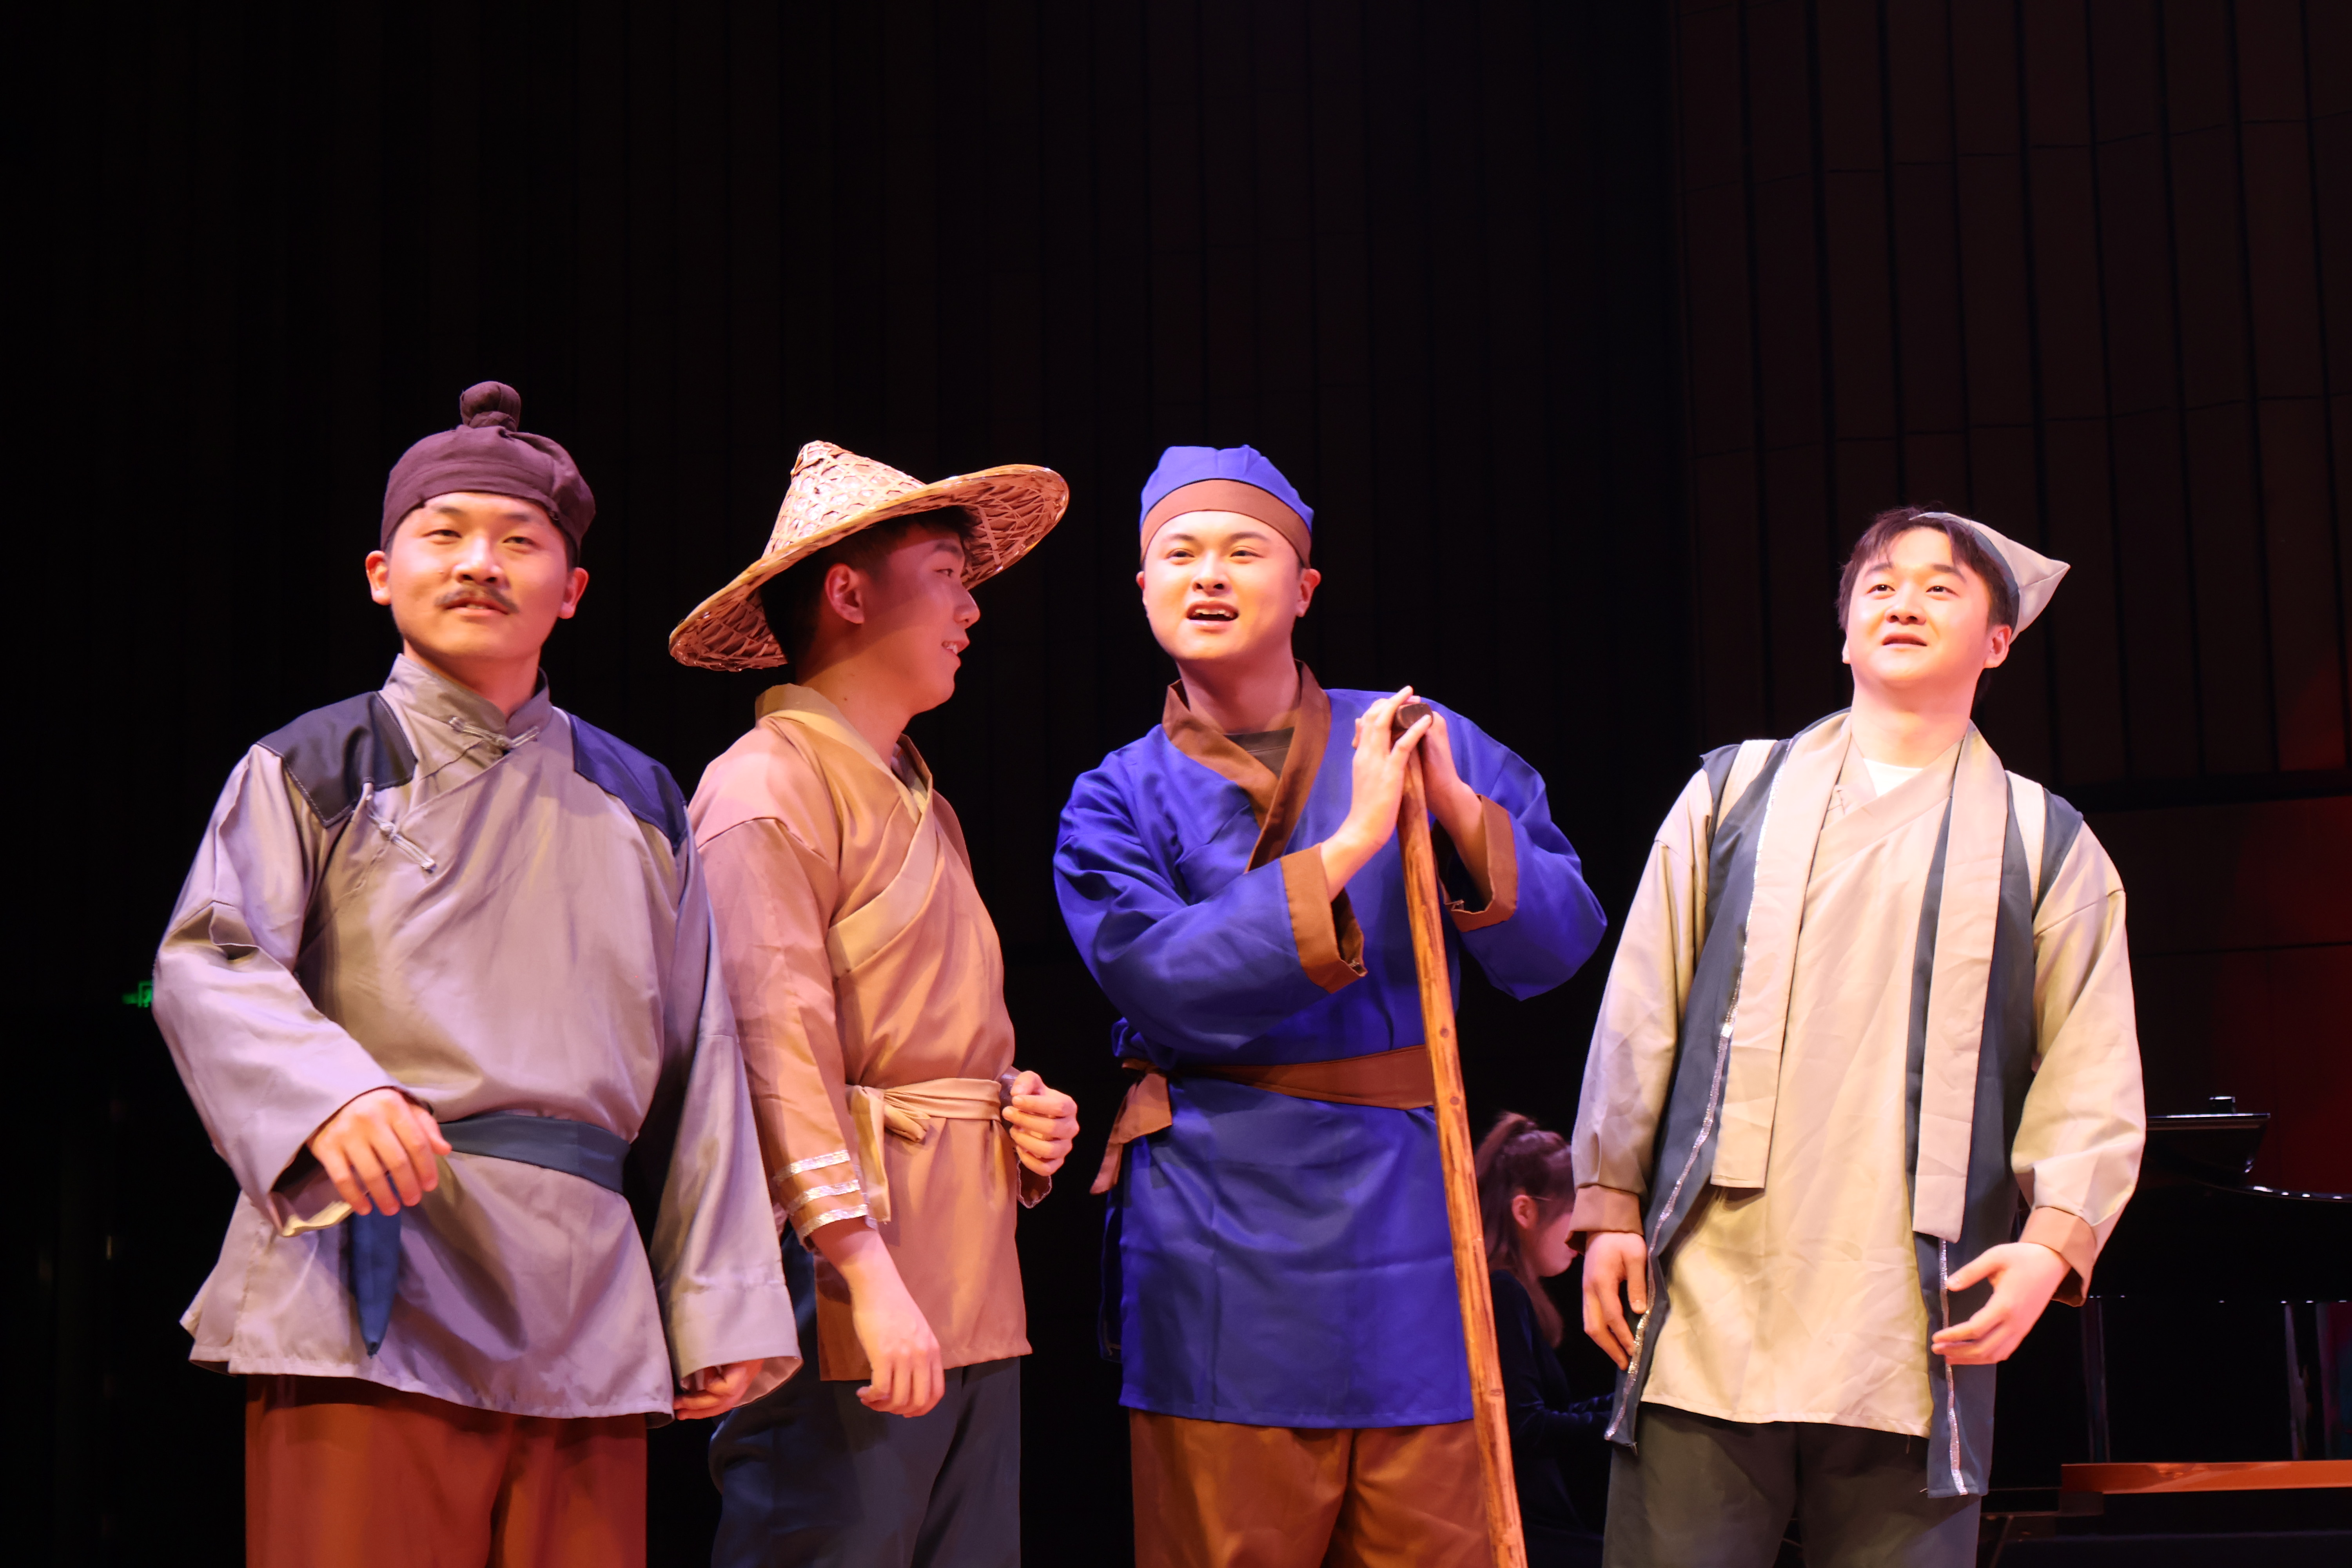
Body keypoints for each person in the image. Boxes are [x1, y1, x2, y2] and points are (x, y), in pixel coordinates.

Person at [153, 382, 799, 1568]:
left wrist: (721, 1295)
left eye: (518, 542)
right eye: (442, 533)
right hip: (370, 1275)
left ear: (574, 588)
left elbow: (703, 1055)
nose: (478, 563)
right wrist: (330, 1094)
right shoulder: (316, 764)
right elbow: (210, 957)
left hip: (583, 1297)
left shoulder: (642, 800)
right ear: (380, 573)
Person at [1054, 444, 1610, 1568]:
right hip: (1219, 1229)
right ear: (1144, 588)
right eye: (1181, 555)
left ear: (1305, 588)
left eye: (1244, 551)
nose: (1210, 575)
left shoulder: (1415, 735)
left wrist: (1452, 809)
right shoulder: (1114, 796)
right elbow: (1166, 979)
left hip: (1411, 1227)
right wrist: (1355, 839)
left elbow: (1560, 943)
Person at [1571, 508, 2145, 1567]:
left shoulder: (2045, 840)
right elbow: (1641, 1009)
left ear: (1999, 642)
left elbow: (2092, 1064)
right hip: (1713, 1295)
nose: (1903, 602)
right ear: (1844, 634)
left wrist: (2054, 1240)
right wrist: (1607, 1203)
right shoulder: (1730, 796)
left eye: (1941, 587)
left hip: (1914, 1320)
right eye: (1880, 585)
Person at [670, 440, 1083, 1568]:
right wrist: (861, 1270)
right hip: (850, 1276)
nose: (971, 608)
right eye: (947, 575)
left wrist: (1016, 1105)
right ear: (849, 594)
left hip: (966, 1270)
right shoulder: (765, 786)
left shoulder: (921, 802)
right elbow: (774, 1050)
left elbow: (925, 1031)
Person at [1475, 1112, 1610, 1568]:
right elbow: (1526, 1427)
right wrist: (1618, 1421)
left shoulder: (1510, 1290)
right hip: (1522, 1530)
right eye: (1577, 1216)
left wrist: (1625, 1407)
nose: (1584, 1237)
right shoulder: (1501, 1290)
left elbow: (1545, 1413)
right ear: (1525, 1211)